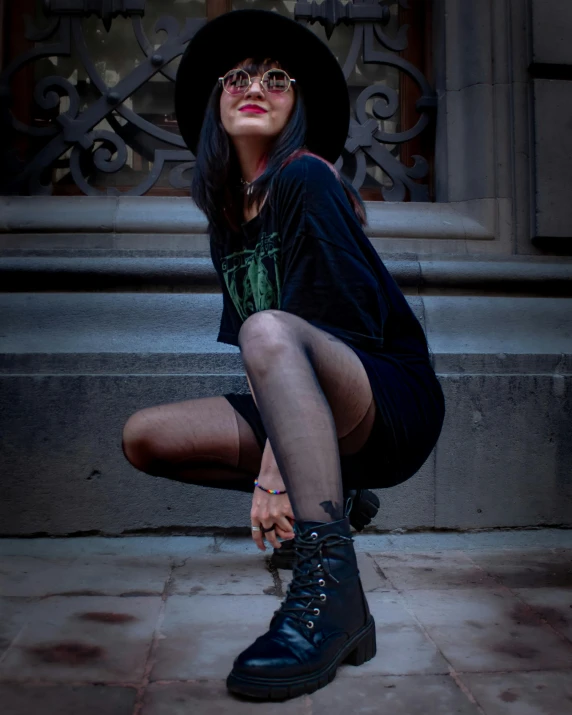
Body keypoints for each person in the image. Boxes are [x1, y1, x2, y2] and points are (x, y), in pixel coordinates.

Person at [121, 9, 445, 701]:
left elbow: (338, 331)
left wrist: (275, 476)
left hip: (387, 398)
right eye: (237, 77)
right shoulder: (229, 216)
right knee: (145, 437)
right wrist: (281, 458)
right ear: (216, 101)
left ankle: (332, 595)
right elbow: (262, 356)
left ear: (297, 105)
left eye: (277, 79)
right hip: (313, 401)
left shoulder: (306, 180)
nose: (254, 86)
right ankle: (339, 496)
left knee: (266, 329)